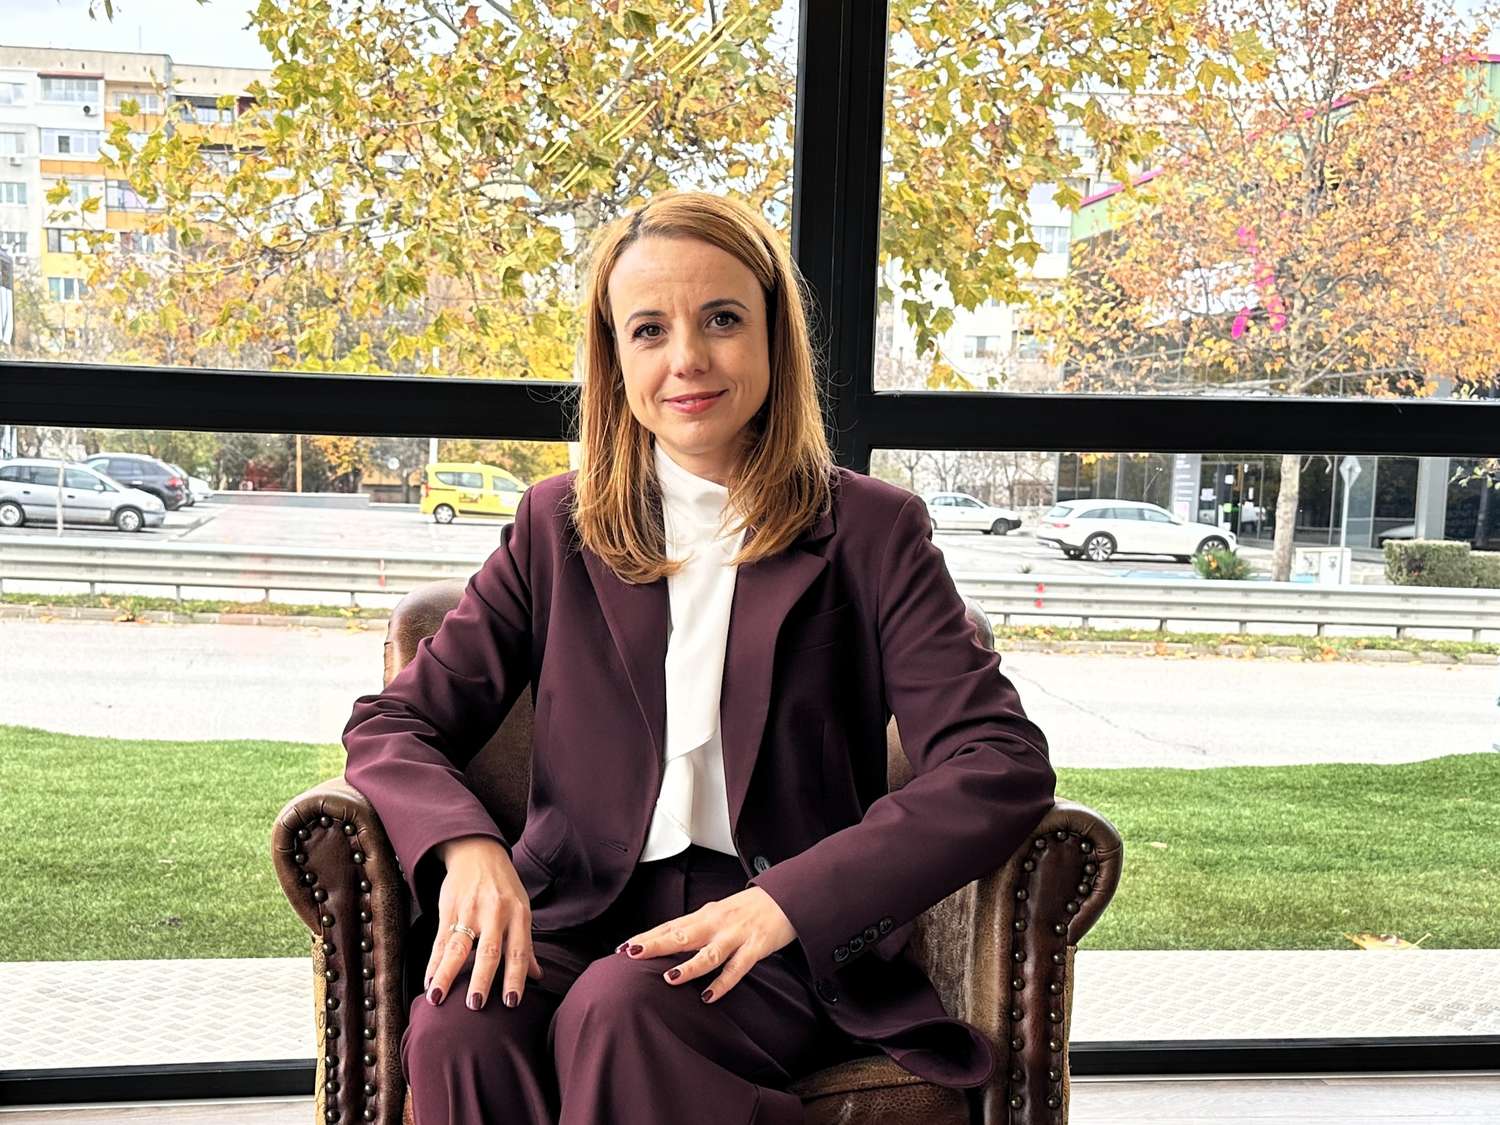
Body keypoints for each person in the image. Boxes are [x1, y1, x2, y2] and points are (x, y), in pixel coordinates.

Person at [341, 190, 1056, 1125]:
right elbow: (394, 722)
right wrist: (468, 848)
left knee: (621, 1007)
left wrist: (789, 902)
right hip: (571, 904)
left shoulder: (873, 531)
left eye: (722, 319)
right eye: (649, 329)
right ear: (615, 356)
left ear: (772, 337)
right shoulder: (556, 526)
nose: (687, 358)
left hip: (775, 935)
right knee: (457, 1025)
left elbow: (999, 762)